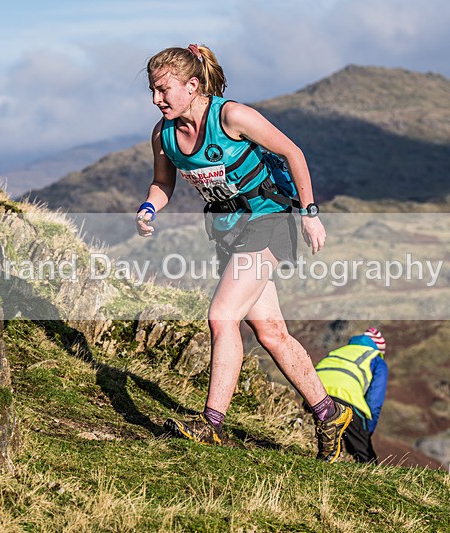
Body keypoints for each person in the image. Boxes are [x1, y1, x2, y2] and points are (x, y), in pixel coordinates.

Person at [136, 44, 352, 462]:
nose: (155, 100)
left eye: (163, 90)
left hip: (269, 222)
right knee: (271, 333)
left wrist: (310, 214)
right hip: (229, 233)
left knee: (221, 316)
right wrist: (149, 207)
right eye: (152, 90)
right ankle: (329, 413)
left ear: (192, 85)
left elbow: (293, 153)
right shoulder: (163, 135)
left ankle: (211, 424)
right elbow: (163, 184)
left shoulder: (231, 116)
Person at [314, 327, 388, 464]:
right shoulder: (376, 359)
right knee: (366, 459)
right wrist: (365, 433)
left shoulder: (337, 352)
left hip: (314, 397)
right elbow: (374, 402)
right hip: (346, 399)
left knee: (318, 440)